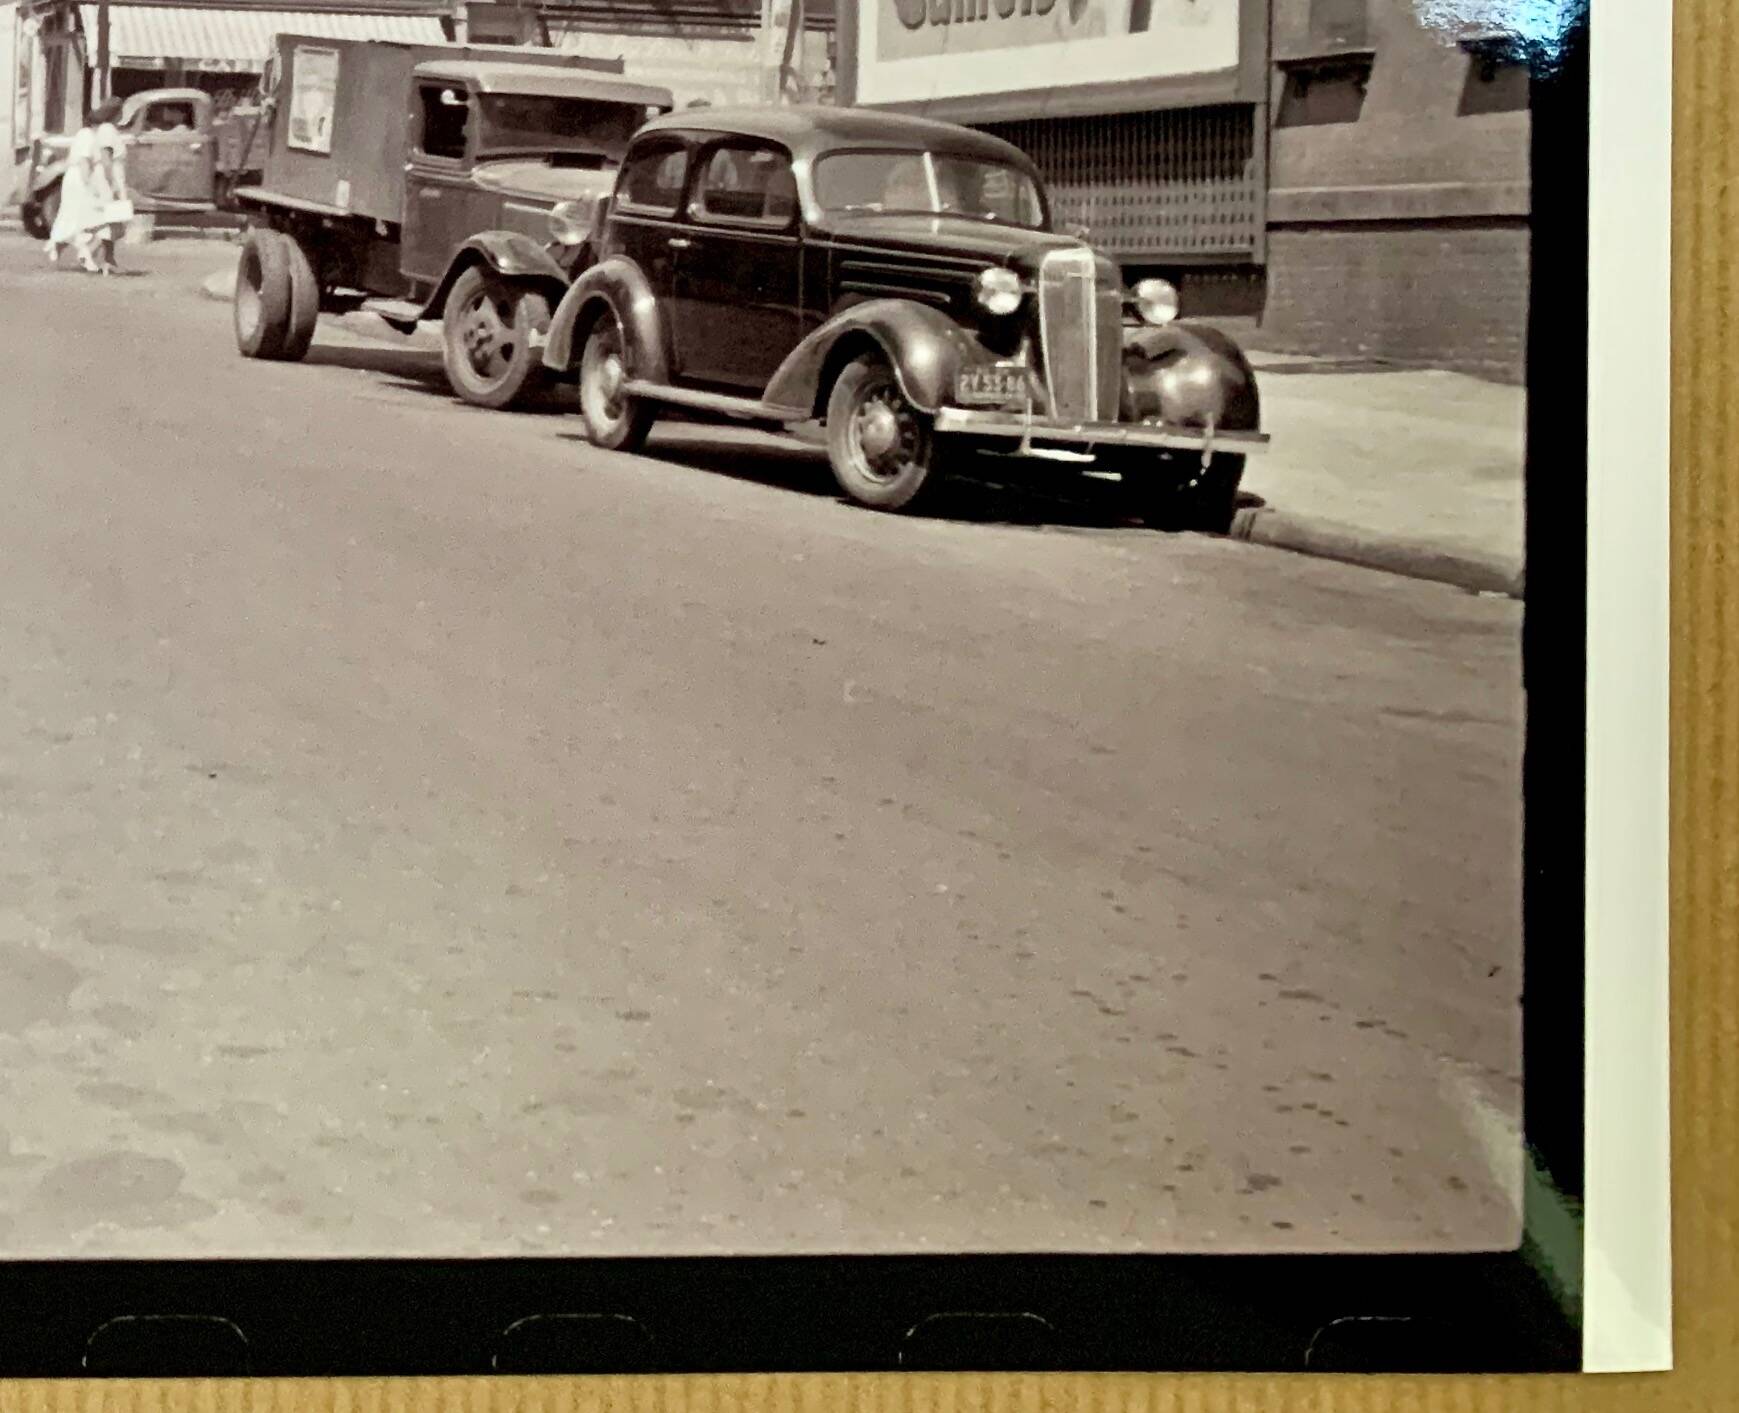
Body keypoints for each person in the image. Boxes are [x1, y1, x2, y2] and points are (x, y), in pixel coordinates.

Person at [46, 96, 127, 273]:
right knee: (98, 219)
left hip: (95, 177)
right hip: (84, 179)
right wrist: (95, 183)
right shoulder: (96, 133)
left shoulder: (102, 132)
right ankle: (89, 252)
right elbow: (92, 161)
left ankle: (104, 258)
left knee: (95, 219)